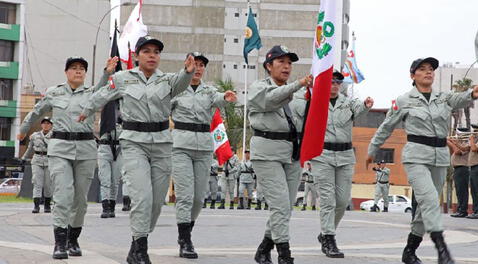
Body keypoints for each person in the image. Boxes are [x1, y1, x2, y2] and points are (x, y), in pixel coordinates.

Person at [79, 36, 196, 264]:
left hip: (162, 144)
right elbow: (101, 96)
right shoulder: (123, 79)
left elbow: (181, 84)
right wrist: (86, 111)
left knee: (156, 201)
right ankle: (141, 249)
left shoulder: (168, 79)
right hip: (134, 143)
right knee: (142, 197)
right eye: (147, 51)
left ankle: (136, 243)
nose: (152, 55)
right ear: (136, 56)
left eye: (156, 52)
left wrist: (188, 72)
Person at [367, 57, 478, 264]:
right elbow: (386, 126)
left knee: (425, 207)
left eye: (431, 69)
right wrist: (372, 149)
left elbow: (459, 98)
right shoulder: (404, 100)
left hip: (439, 157)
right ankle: (442, 250)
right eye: (423, 69)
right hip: (416, 157)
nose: (428, 72)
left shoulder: (442, 97)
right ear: (413, 75)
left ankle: (410, 250)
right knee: (429, 201)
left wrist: (472, 93)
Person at [18, 56, 117, 259]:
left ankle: (73, 239)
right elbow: (37, 111)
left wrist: (107, 72)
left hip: (86, 150)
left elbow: (102, 88)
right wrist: (23, 130)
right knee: (62, 196)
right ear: (66, 72)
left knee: (80, 199)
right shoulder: (55, 93)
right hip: (60, 149)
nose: (78, 71)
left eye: (82, 68)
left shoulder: (91, 93)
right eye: (73, 68)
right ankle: (60, 242)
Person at [248, 45, 312, 264]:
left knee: (285, 207)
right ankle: (284, 255)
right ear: (268, 66)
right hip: (267, 153)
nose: (286, 67)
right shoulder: (258, 87)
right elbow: (272, 99)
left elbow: (305, 121)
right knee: (281, 206)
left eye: (289, 63)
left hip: (291, 154)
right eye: (281, 62)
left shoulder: (299, 94)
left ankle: (264, 249)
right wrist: (298, 85)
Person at [170, 52, 236, 259]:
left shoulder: (209, 91)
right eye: (194, 64)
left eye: (201, 65)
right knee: (185, 196)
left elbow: (219, 99)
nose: (198, 68)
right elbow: (162, 109)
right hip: (181, 145)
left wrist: (226, 98)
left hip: (203, 147)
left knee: (199, 198)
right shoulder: (176, 89)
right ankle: (185, 240)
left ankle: (186, 232)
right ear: (187, 65)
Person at [312, 70, 373, 258]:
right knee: (328, 200)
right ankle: (329, 239)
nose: (334, 85)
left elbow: (359, 107)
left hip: (345, 155)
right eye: (331, 81)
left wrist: (366, 104)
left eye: (338, 82)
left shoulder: (347, 102)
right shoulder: (314, 101)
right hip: (323, 155)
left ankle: (324, 234)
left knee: (342, 199)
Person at [21, 116, 53, 214]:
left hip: (49, 160)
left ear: (51, 125)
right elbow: (30, 148)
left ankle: (47, 205)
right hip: (37, 160)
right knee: (37, 183)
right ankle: (36, 206)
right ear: (41, 124)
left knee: (48, 184)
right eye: (44, 123)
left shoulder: (55, 135)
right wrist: (23, 158)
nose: (46, 125)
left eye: (48, 123)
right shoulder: (35, 135)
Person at [97, 121, 123, 218]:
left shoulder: (123, 117)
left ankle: (112, 206)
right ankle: (105, 207)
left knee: (115, 181)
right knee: (105, 180)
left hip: (118, 150)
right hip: (104, 149)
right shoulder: (105, 118)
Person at [447, 134, 470, 218]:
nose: (456, 136)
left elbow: (458, 152)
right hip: (457, 169)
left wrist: (449, 142)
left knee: (462, 191)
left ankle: (463, 211)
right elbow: (453, 152)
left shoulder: (466, 143)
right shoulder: (459, 143)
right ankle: (460, 209)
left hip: (462, 168)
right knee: (459, 191)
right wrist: (450, 144)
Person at [468, 126, 478, 219]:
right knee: (474, 190)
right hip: (474, 167)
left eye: (477, 130)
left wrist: (471, 139)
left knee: (477, 190)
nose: (475, 132)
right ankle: (476, 211)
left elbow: (474, 149)